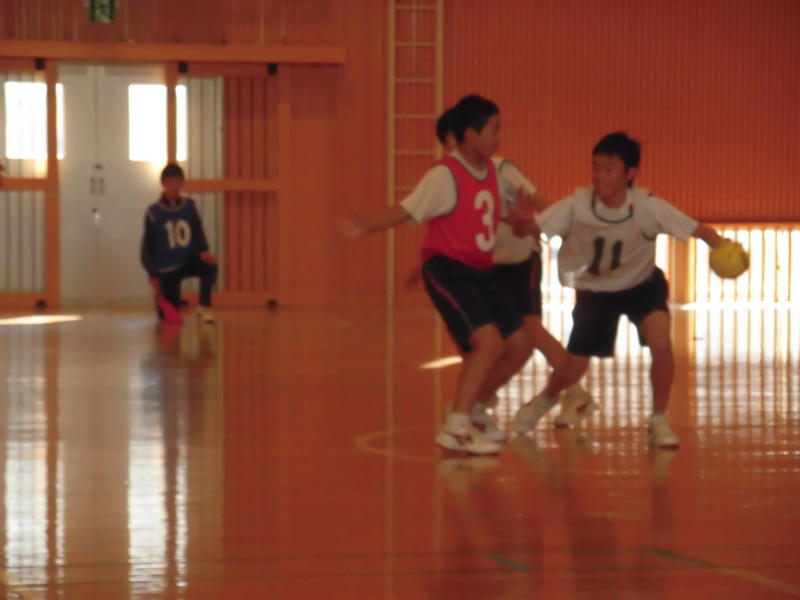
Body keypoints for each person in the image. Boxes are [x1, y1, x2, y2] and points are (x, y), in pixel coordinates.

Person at [342, 95, 532, 454]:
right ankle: (455, 428)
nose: (499, 137)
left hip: (482, 271)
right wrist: (368, 226)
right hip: (451, 269)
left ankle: (475, 410)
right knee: (489, 344)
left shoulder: (492, 173)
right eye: (494, 129)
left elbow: (509, 222)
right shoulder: (445, 175)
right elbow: (406, 209)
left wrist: (524, 221)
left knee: (520, 345)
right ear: (471, 134)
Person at [512, 132, 722, 448]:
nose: (600, 175)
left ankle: (658, 419)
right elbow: (531, 229)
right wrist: (519, 221)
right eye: (595, 167)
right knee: (573, 368)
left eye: (609, 169)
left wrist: (724, 247)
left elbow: (699, 230)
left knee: (660, 340)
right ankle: (547, 398)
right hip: (596, 293)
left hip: (642, 286)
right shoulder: (577, 204)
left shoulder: (647, 206)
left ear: (630, 173)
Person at [433, 109, 592, 441]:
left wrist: (566, 233)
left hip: (519, 260)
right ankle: (479, 402)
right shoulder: (451, 177)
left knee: (528, 329)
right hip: (486, 266)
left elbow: (540, 202)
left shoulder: (502, 169)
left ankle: (574, 392)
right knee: (481, 338)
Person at [140, 163, 218, 325]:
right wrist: (152, 274)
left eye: (177, 182)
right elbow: (147, 247)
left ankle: (203, 307)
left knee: (210, 266)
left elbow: (197, 231)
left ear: (182, 183)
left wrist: (203, 250)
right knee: (170, 318)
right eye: (170, 182)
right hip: (167, 269)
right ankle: (162, 299)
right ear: (163, 184)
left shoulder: (189, 206)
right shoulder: (153, 212)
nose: (173, 187)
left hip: (188, 260)